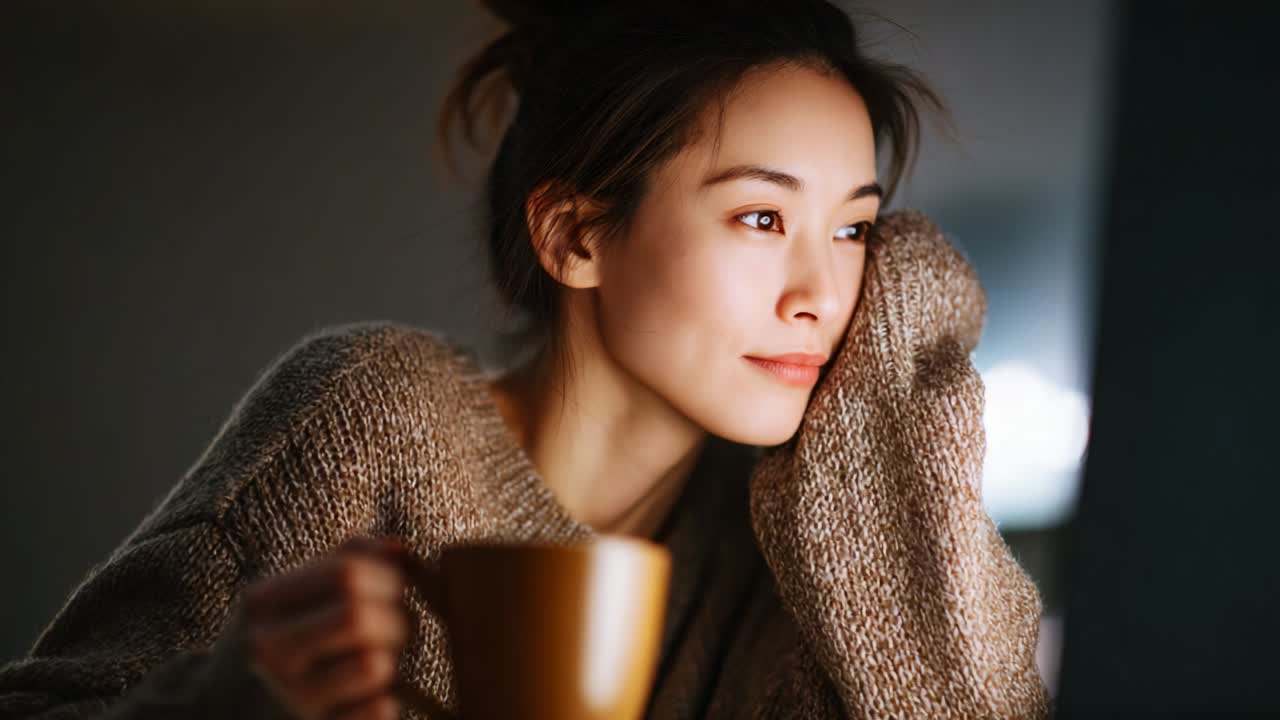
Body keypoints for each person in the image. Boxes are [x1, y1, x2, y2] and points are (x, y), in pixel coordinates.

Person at [0, 1, 1052, 718]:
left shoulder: (805, 536)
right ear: (575, 237)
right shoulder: (373, 422)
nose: (820, 297)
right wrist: (234, 705)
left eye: (857, 230)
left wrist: (902, 362)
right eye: (761, 216)